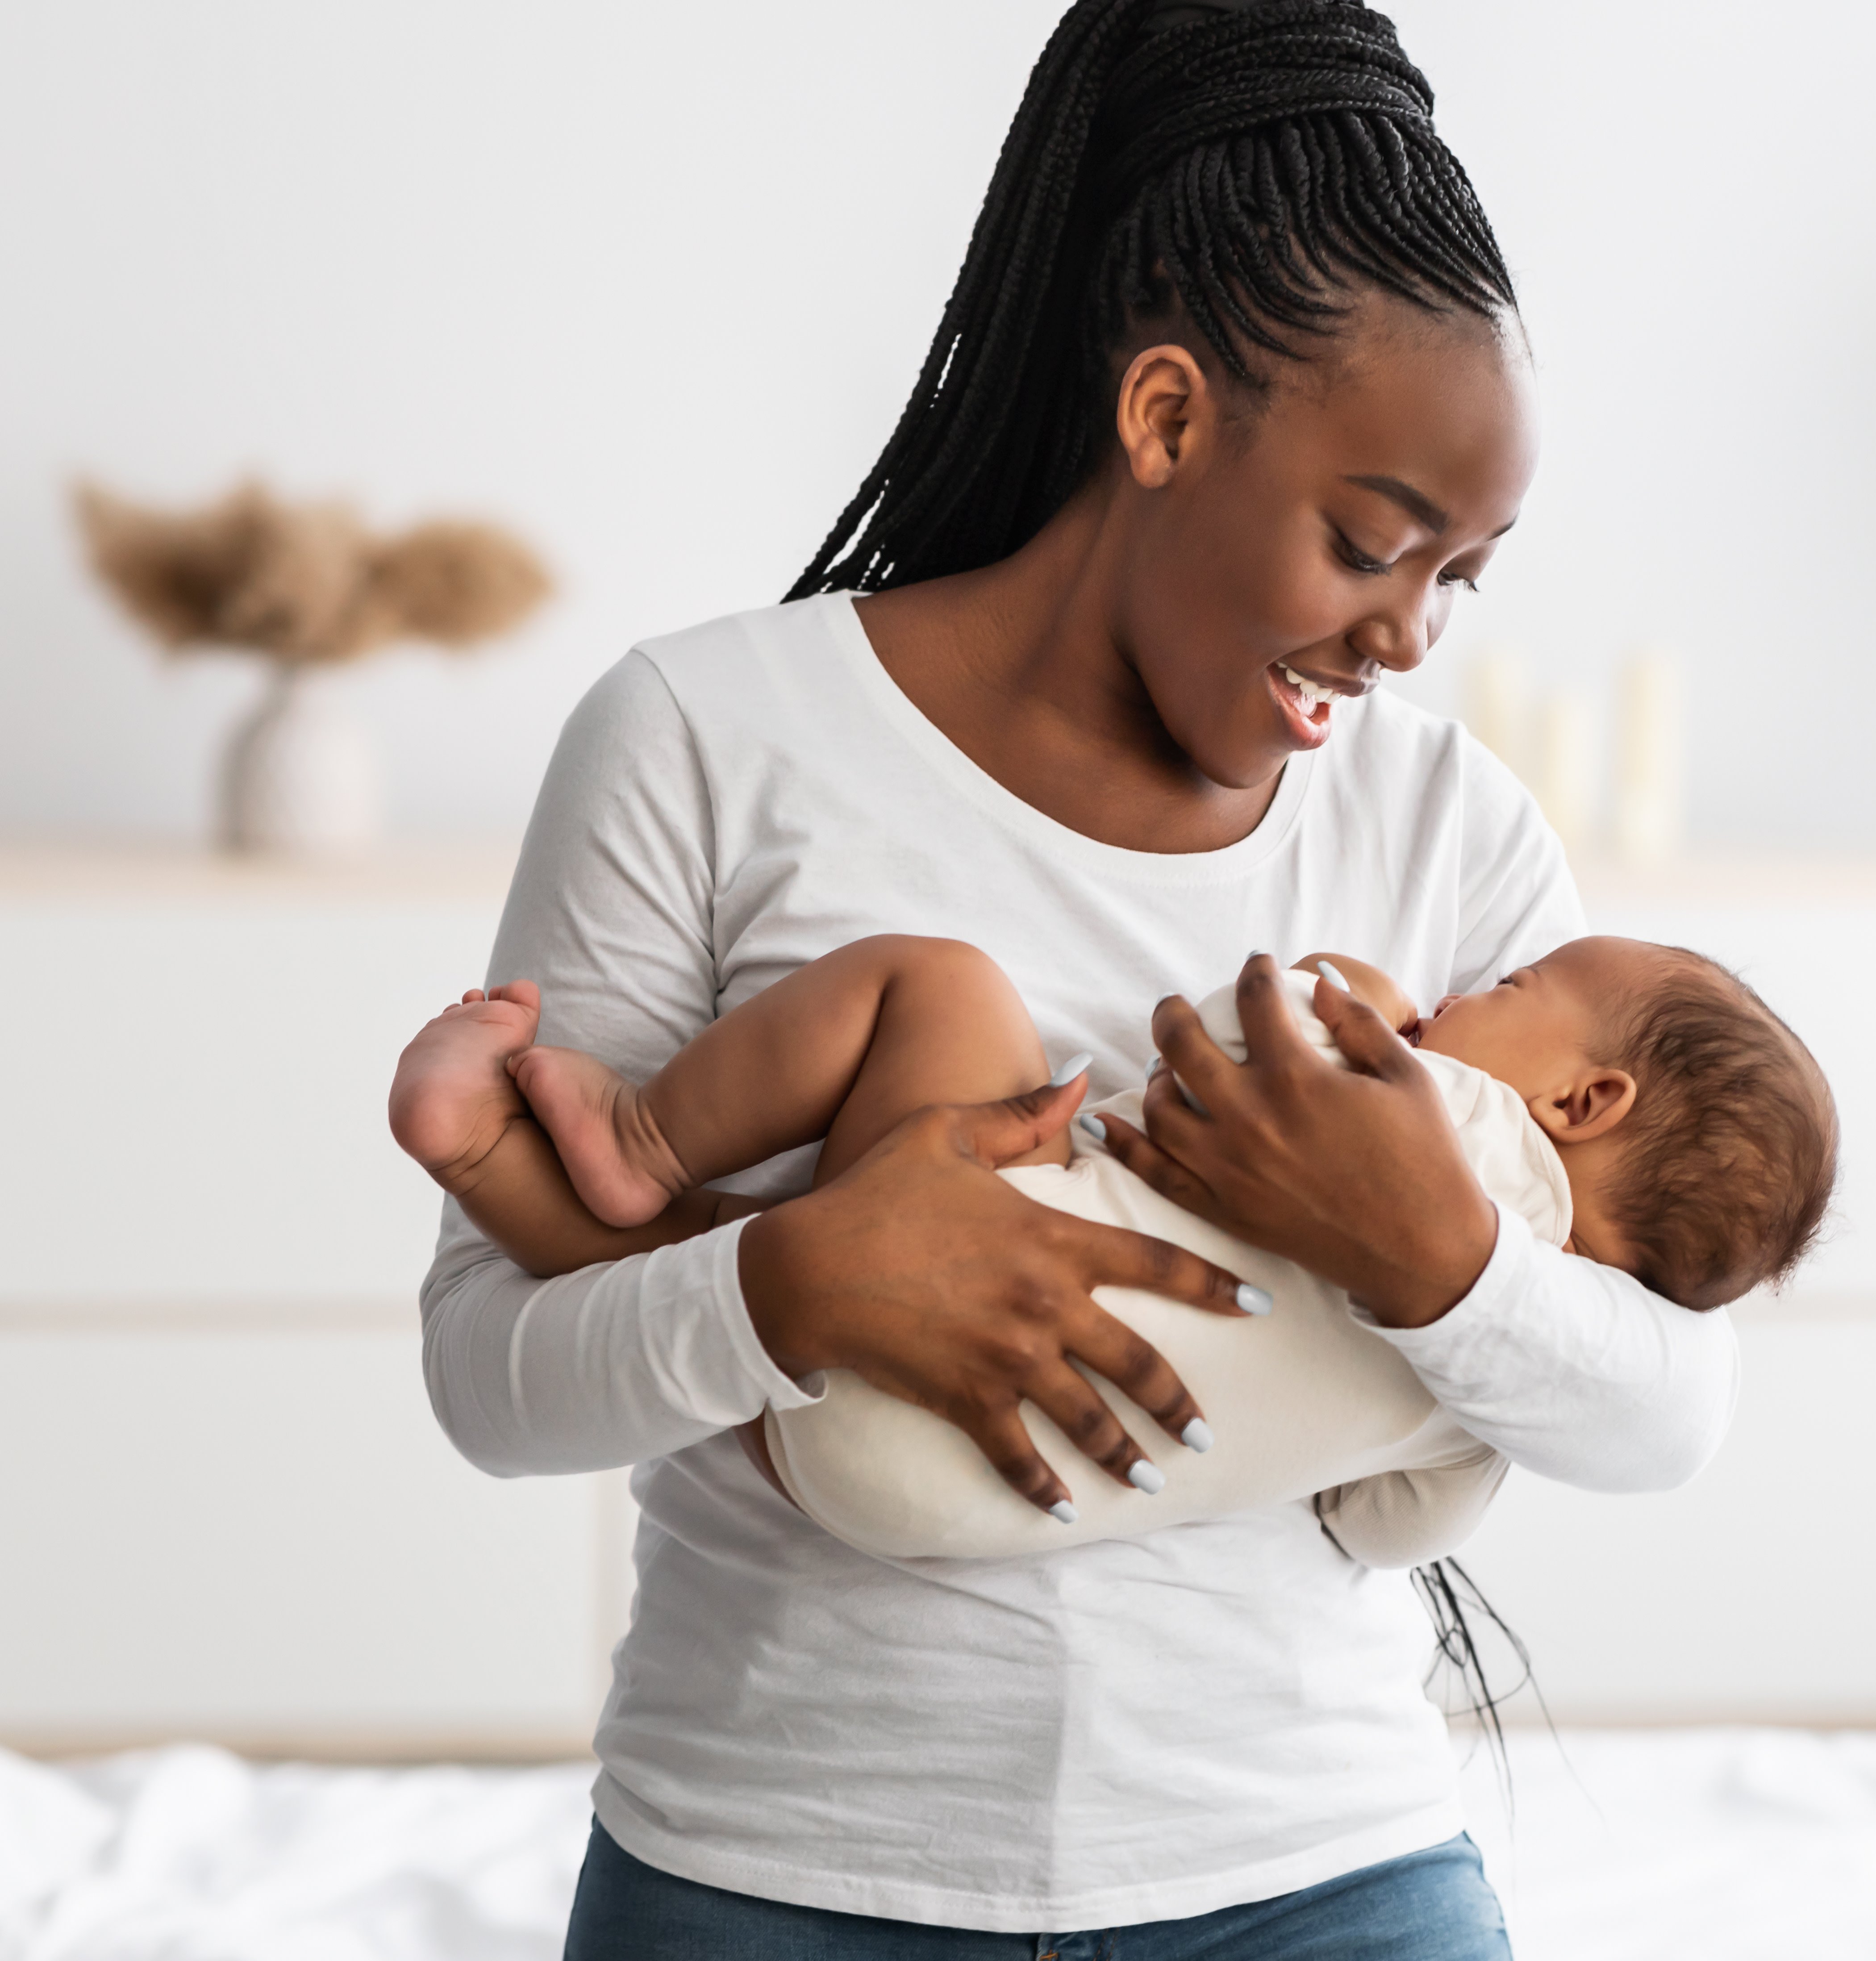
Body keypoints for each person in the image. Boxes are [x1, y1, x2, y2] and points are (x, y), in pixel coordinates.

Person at [415, 1, 1746, 1952]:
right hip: (779, 1871)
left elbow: (1668, 1407)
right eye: (1375, 545)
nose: (1410, 639)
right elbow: (487, 1377)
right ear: (1168, 417)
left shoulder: (1450, 830)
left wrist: (1438, 1264)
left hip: (1321, 1870)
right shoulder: (710, 732)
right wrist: (789, 1283)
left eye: (1465, 577)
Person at [393, 935, 1836, 1565]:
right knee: (796, 1256)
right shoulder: (1492, 1404)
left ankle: (634, 1141)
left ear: (1584, 1101)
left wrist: (1345, 990)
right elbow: (1381, 1533)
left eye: (1512, 984)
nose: (1468, 985)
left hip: (860, 1377)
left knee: (939, 991)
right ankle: (487, 1152)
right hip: (932, 1510)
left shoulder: (1439, 1107)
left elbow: (1210, 1048)